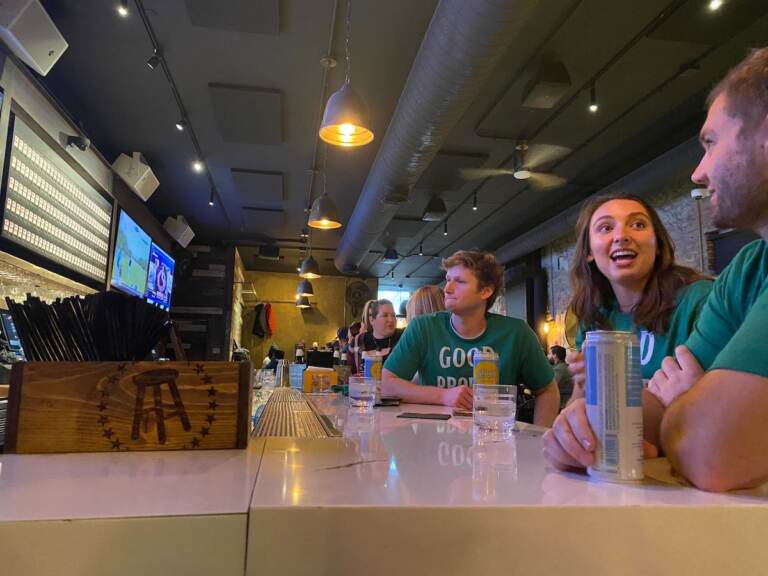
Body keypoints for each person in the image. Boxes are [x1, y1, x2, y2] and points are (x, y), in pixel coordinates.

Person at [543, 47, 768, 492]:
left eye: (710, 143)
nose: (698, 172)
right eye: (605, 229)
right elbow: (641, 414)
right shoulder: (748, 268)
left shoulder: (700, 296)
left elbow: (712, 453)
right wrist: (581, 426)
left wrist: (683, 403)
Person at [383, 250, 560, 426]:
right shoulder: (424, 328)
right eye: (448, 280)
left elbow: (548, 391)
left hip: (493, 443)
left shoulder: (517, 333)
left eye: (459, 281)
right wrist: (444, 396)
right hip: (433, 443)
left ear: (485, 291)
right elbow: (386, 384)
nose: (447, 288)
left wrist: (540, 439)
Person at [565, 194, 712, 396]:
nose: (621, 236)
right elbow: (577, 407)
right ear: (588, 251)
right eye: (606, 228)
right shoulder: (594, 317)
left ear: (658, 244)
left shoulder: (700, 300)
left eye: (638, 225)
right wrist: (584, 386)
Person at [356, 299, 403, 368]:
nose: (391, 320)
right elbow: (347, 372)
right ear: (372, 320)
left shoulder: (403, 337)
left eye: (393, 315)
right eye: (385, 315)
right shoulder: (359, 340)